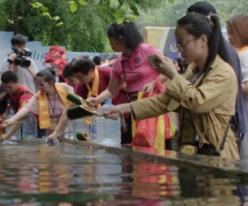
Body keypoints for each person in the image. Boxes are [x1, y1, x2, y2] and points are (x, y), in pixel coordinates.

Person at [104, 13, 239, 159]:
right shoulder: (192, 73)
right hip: (191, 153)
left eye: (182, 43)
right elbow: (162, 101)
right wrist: (123, 108)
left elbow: (198, 102)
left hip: (217, 155)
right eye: (177, 44)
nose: (179, 49)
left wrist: (173, 75)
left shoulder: (224, 73)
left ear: (203, 40)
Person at [86, 20, 168, 144]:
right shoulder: (119, 62)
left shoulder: (146, 50)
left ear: (120, 38)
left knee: (156, 145)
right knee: (136, 147)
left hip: (153, 109)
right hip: (133, 111)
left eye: (111, 40)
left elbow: (169, 70)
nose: (110, 44)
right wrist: (96, 100)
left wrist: (153, 83)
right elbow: (111, 91)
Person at [187, 1, 246, 141]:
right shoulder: (225, 47)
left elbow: (201, 100)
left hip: (224, 127)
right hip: (226, 125)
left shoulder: (218, 49)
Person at [48, 56, 125, 140]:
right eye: (77, 77)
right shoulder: (82, 85)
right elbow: (69, 109)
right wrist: (56, 132)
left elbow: (127, 88)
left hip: (123, 117)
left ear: (91, 71)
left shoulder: (108, 73)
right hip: (105, 121)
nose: (79, 80)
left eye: (80, 77)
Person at [0, 69, 73, 141]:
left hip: (68, 127)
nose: (39, 87)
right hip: (51, 129)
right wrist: (10, 120)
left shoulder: (64, 88)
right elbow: (26, 108)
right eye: (37, 85)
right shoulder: (39, 95)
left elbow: (75, 101)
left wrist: (59, 131)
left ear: (50, 83)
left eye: (41, 84)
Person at [226, 15, 248, 159]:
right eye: (228, 33)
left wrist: (225, 84)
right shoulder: (241, 53)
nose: (229, 37)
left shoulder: (245, 55)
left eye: (232, 32)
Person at [0, 71, 33, 140]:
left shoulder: (25, 96)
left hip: (33, 126)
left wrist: (7, 136)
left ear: (17, 82)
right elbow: (10, 99)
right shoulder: (12, 90)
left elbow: (20, 117)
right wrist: (6, 111)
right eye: (5, 87)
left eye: (10, 87)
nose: (7, 90)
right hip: (24, 125)